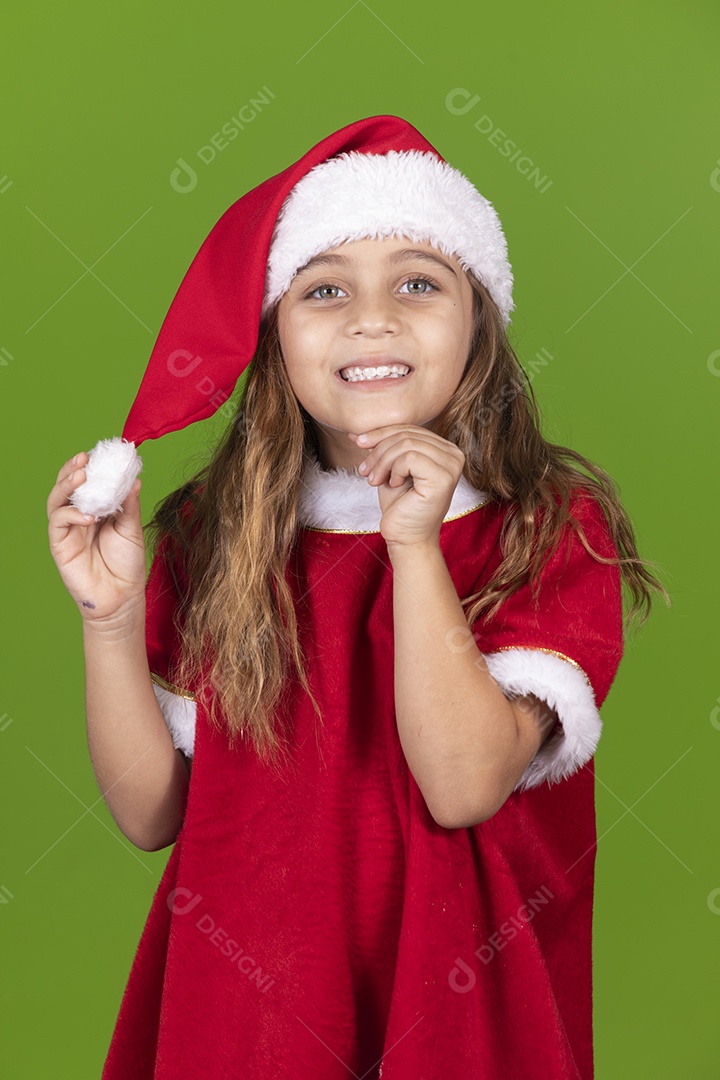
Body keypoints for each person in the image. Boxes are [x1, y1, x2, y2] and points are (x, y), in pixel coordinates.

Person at [47, 115, 668, 1079]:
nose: (371, 320)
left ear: (478, 322)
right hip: (248, 1017)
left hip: (462, 1015)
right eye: (324, 290)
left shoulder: (546, 524)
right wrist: (111, 618)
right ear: (274, 336)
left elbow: (463, 786)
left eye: (418, 283)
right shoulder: (219, 531)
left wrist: (412, 547)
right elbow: (152, 815)